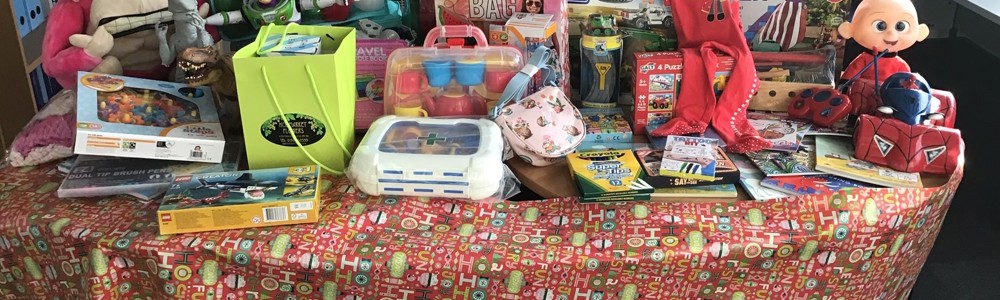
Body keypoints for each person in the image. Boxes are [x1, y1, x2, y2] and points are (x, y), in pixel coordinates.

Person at [838, 0, 929, 83]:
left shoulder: (901, 65)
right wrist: (844, 86)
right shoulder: (864, 60)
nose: (891, 34)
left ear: (920, 32)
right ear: (849, 30)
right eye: (880, 26)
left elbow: (906, 85)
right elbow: (849, 77)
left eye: (900, 26)